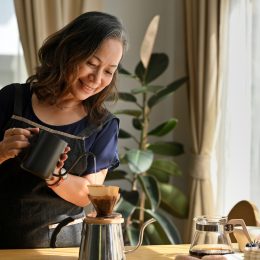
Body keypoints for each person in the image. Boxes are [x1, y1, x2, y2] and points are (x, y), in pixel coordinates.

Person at [0, 11, 127, 248]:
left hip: (60, 245)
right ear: (69, 51)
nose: (97, 78)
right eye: (91, 63)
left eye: (109, 71)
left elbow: (88, 193)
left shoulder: (103, 126)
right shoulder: (11, 99)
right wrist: (2, 152)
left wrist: (54, 174)